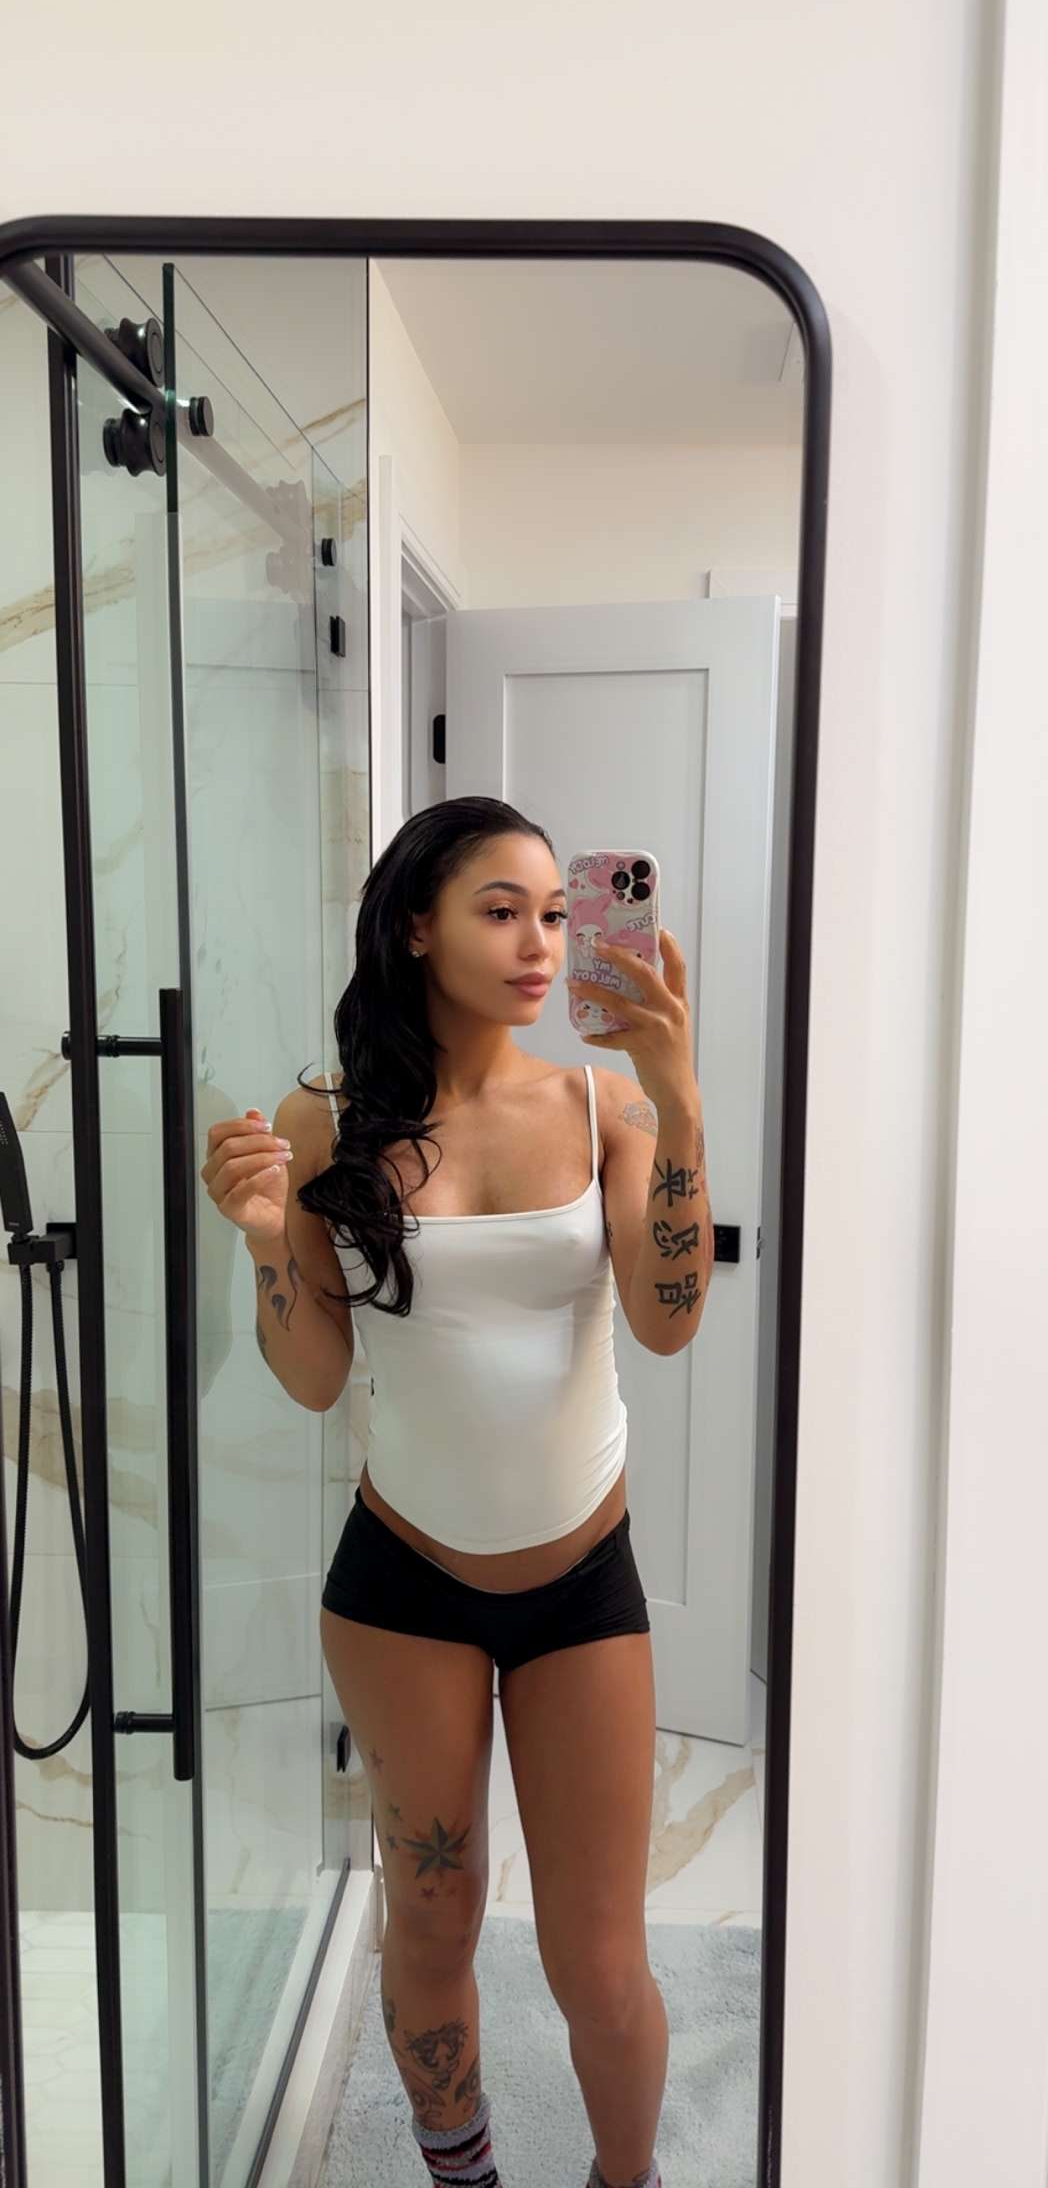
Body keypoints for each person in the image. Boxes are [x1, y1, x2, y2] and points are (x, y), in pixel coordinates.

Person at [198, 795, 713, 2188]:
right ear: (416, 927)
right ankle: (461, 2175)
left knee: (598, 1959)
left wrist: (677, 1100)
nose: (541, 943)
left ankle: (625, 2179)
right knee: (431, 1919)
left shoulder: (604, 1104)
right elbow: (315, 1379)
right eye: (502, 911)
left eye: (554, 913)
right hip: (401, 1587)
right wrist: (266, 1239)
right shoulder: (323, 1121)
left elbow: (667, 1323)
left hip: (580, 1588)